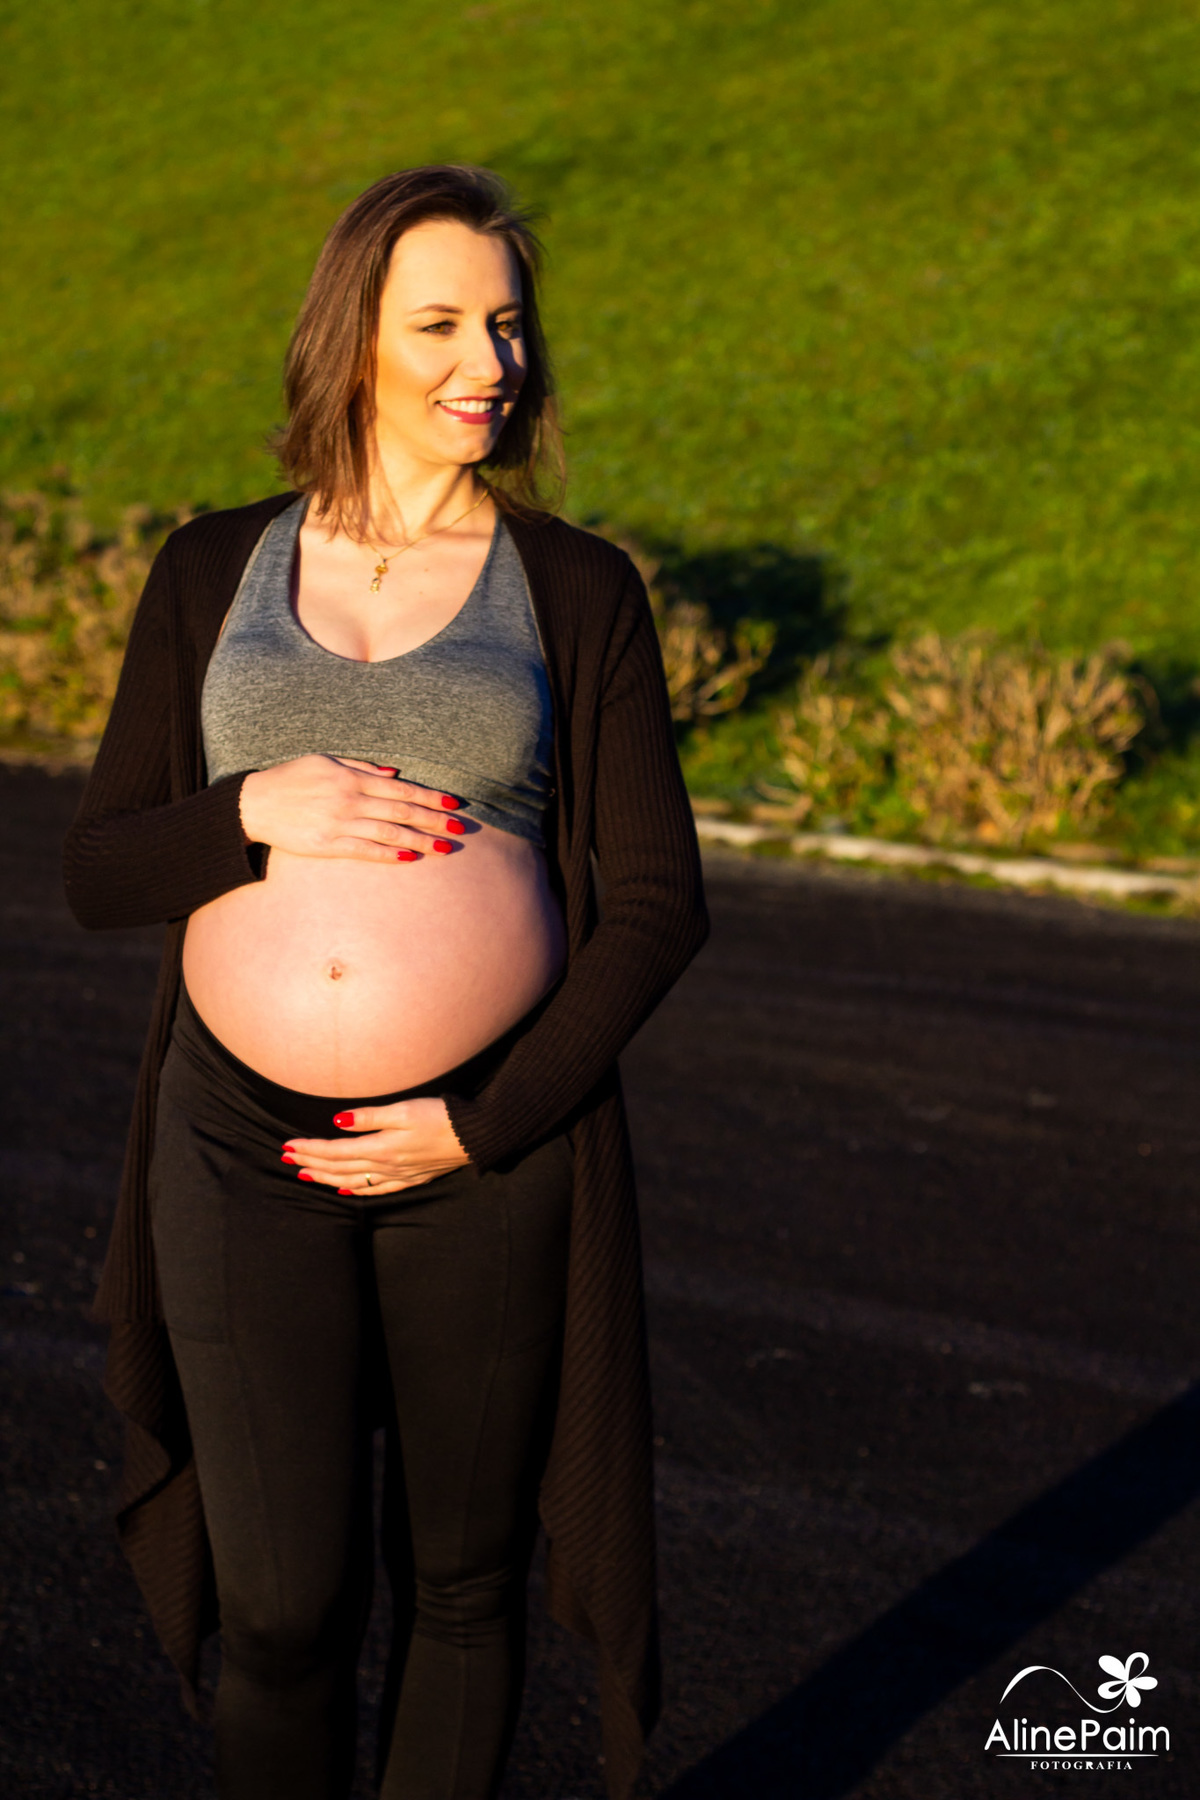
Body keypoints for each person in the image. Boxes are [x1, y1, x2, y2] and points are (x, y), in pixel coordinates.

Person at [62, 164, 708, 1800]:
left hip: (483, 1162)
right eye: (439, 323)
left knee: (465, 1587)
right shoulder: (214, 569)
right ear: (353, 339)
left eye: (505, 322)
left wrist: (482, 1122)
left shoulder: (573, 590)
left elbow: (655, 905)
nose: (486, 358)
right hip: (236, 1145)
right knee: (282, 1605)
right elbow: (98, 870)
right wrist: (248, 810)